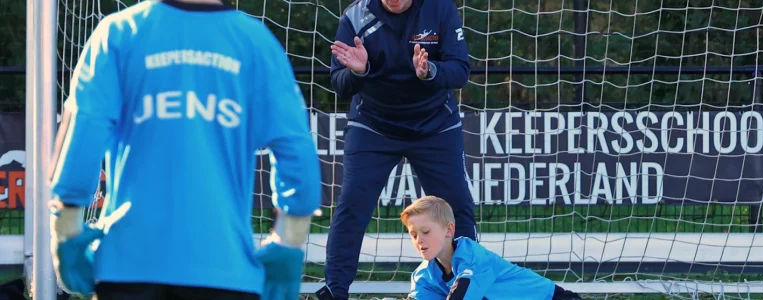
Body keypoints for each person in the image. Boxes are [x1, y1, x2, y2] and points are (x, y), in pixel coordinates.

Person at [47, 1, 321, 299]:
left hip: (128, 265)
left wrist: (67, 229)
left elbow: (84, 131)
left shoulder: (119, 32)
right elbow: (295, 146)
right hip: (225, 268)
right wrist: (289, 240)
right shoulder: (255, 41)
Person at [316, 0, 477, 298]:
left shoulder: (440, 9)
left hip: (435, 125)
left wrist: (431, 70)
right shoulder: (355, 16)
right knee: (352, 205)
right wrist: (358, 71)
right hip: (373, 126)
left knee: (457, 207)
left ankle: (468, 285)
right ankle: (334, 290)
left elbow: (460, 70)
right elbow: (340, 83)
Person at [402, 196, 584, 300]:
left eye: (426, 231)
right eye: (414, 234)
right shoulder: (423, 277)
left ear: (449, 230)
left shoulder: (473, 257)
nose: (420, 240)